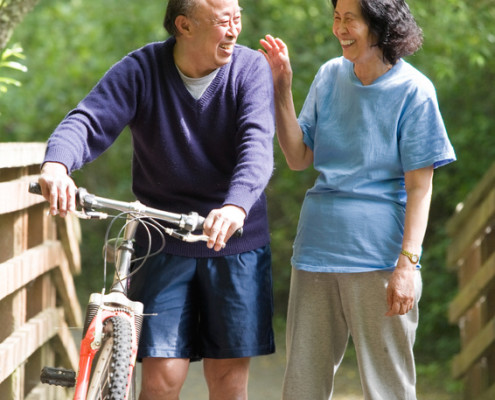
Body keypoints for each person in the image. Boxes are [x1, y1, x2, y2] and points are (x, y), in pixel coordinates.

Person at [38, 0, 276, 398]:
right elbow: (87, 119)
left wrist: (235, 205)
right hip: (162, 242)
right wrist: (57, 165)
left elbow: (257, 145)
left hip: (235, 241)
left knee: (228, 381)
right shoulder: (141, 69)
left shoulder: (250, 69)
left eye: (238, 18)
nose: (235, 30)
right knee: (162, 378)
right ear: (184, 25)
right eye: (222, 21)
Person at [260, 0, 455, 398]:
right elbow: (298, 157)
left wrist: (407, 266)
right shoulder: (330, 75)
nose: (340, 28)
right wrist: (282, 88)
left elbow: (421, 188)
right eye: (336, 17)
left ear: (380, 25)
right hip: (316, 250)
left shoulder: (414, 91)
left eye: (350, 19)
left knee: (388, 388)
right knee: (302, 386)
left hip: (378, 258)